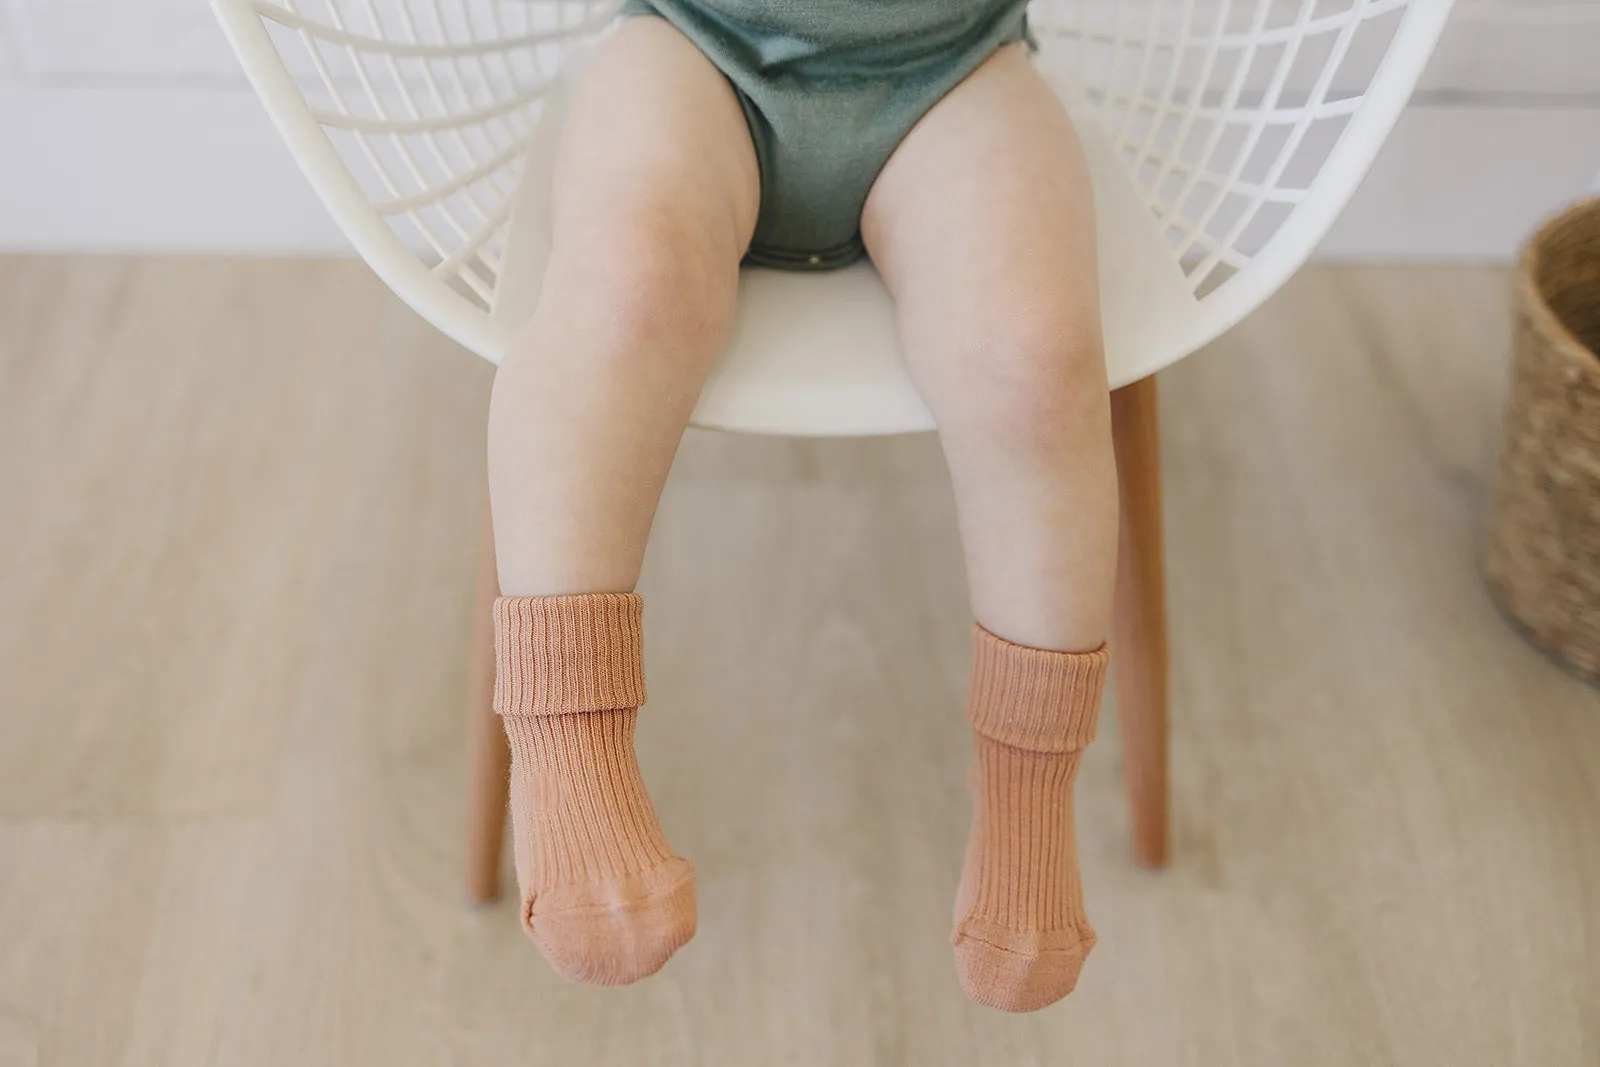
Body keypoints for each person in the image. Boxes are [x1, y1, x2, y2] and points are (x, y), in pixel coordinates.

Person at [485, 0, 1115, 1013]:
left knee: (1034, 362)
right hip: (693, 45)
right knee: (627, 287)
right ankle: (566, 737)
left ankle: (1028, 786)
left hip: (949, 66)